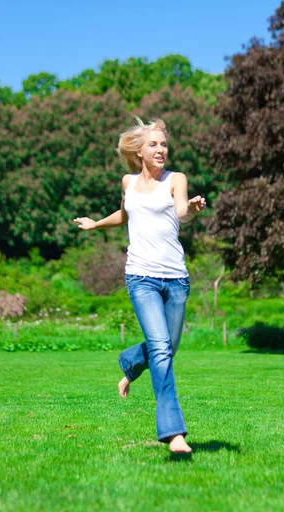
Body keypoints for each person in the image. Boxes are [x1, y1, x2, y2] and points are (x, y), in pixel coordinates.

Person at [74, 118, 206, 453]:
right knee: (161, 349)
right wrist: (95, 224)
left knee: (167, 348)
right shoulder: (128, 182)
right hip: (141, 277)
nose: (161, 149)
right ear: (139, 151)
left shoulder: (176, 180)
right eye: (154, 145)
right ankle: (174, 433)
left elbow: (181, 212)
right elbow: (125, 214)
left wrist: (190, 209)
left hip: (176, 279)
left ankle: (130, 363)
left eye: (164, 144)